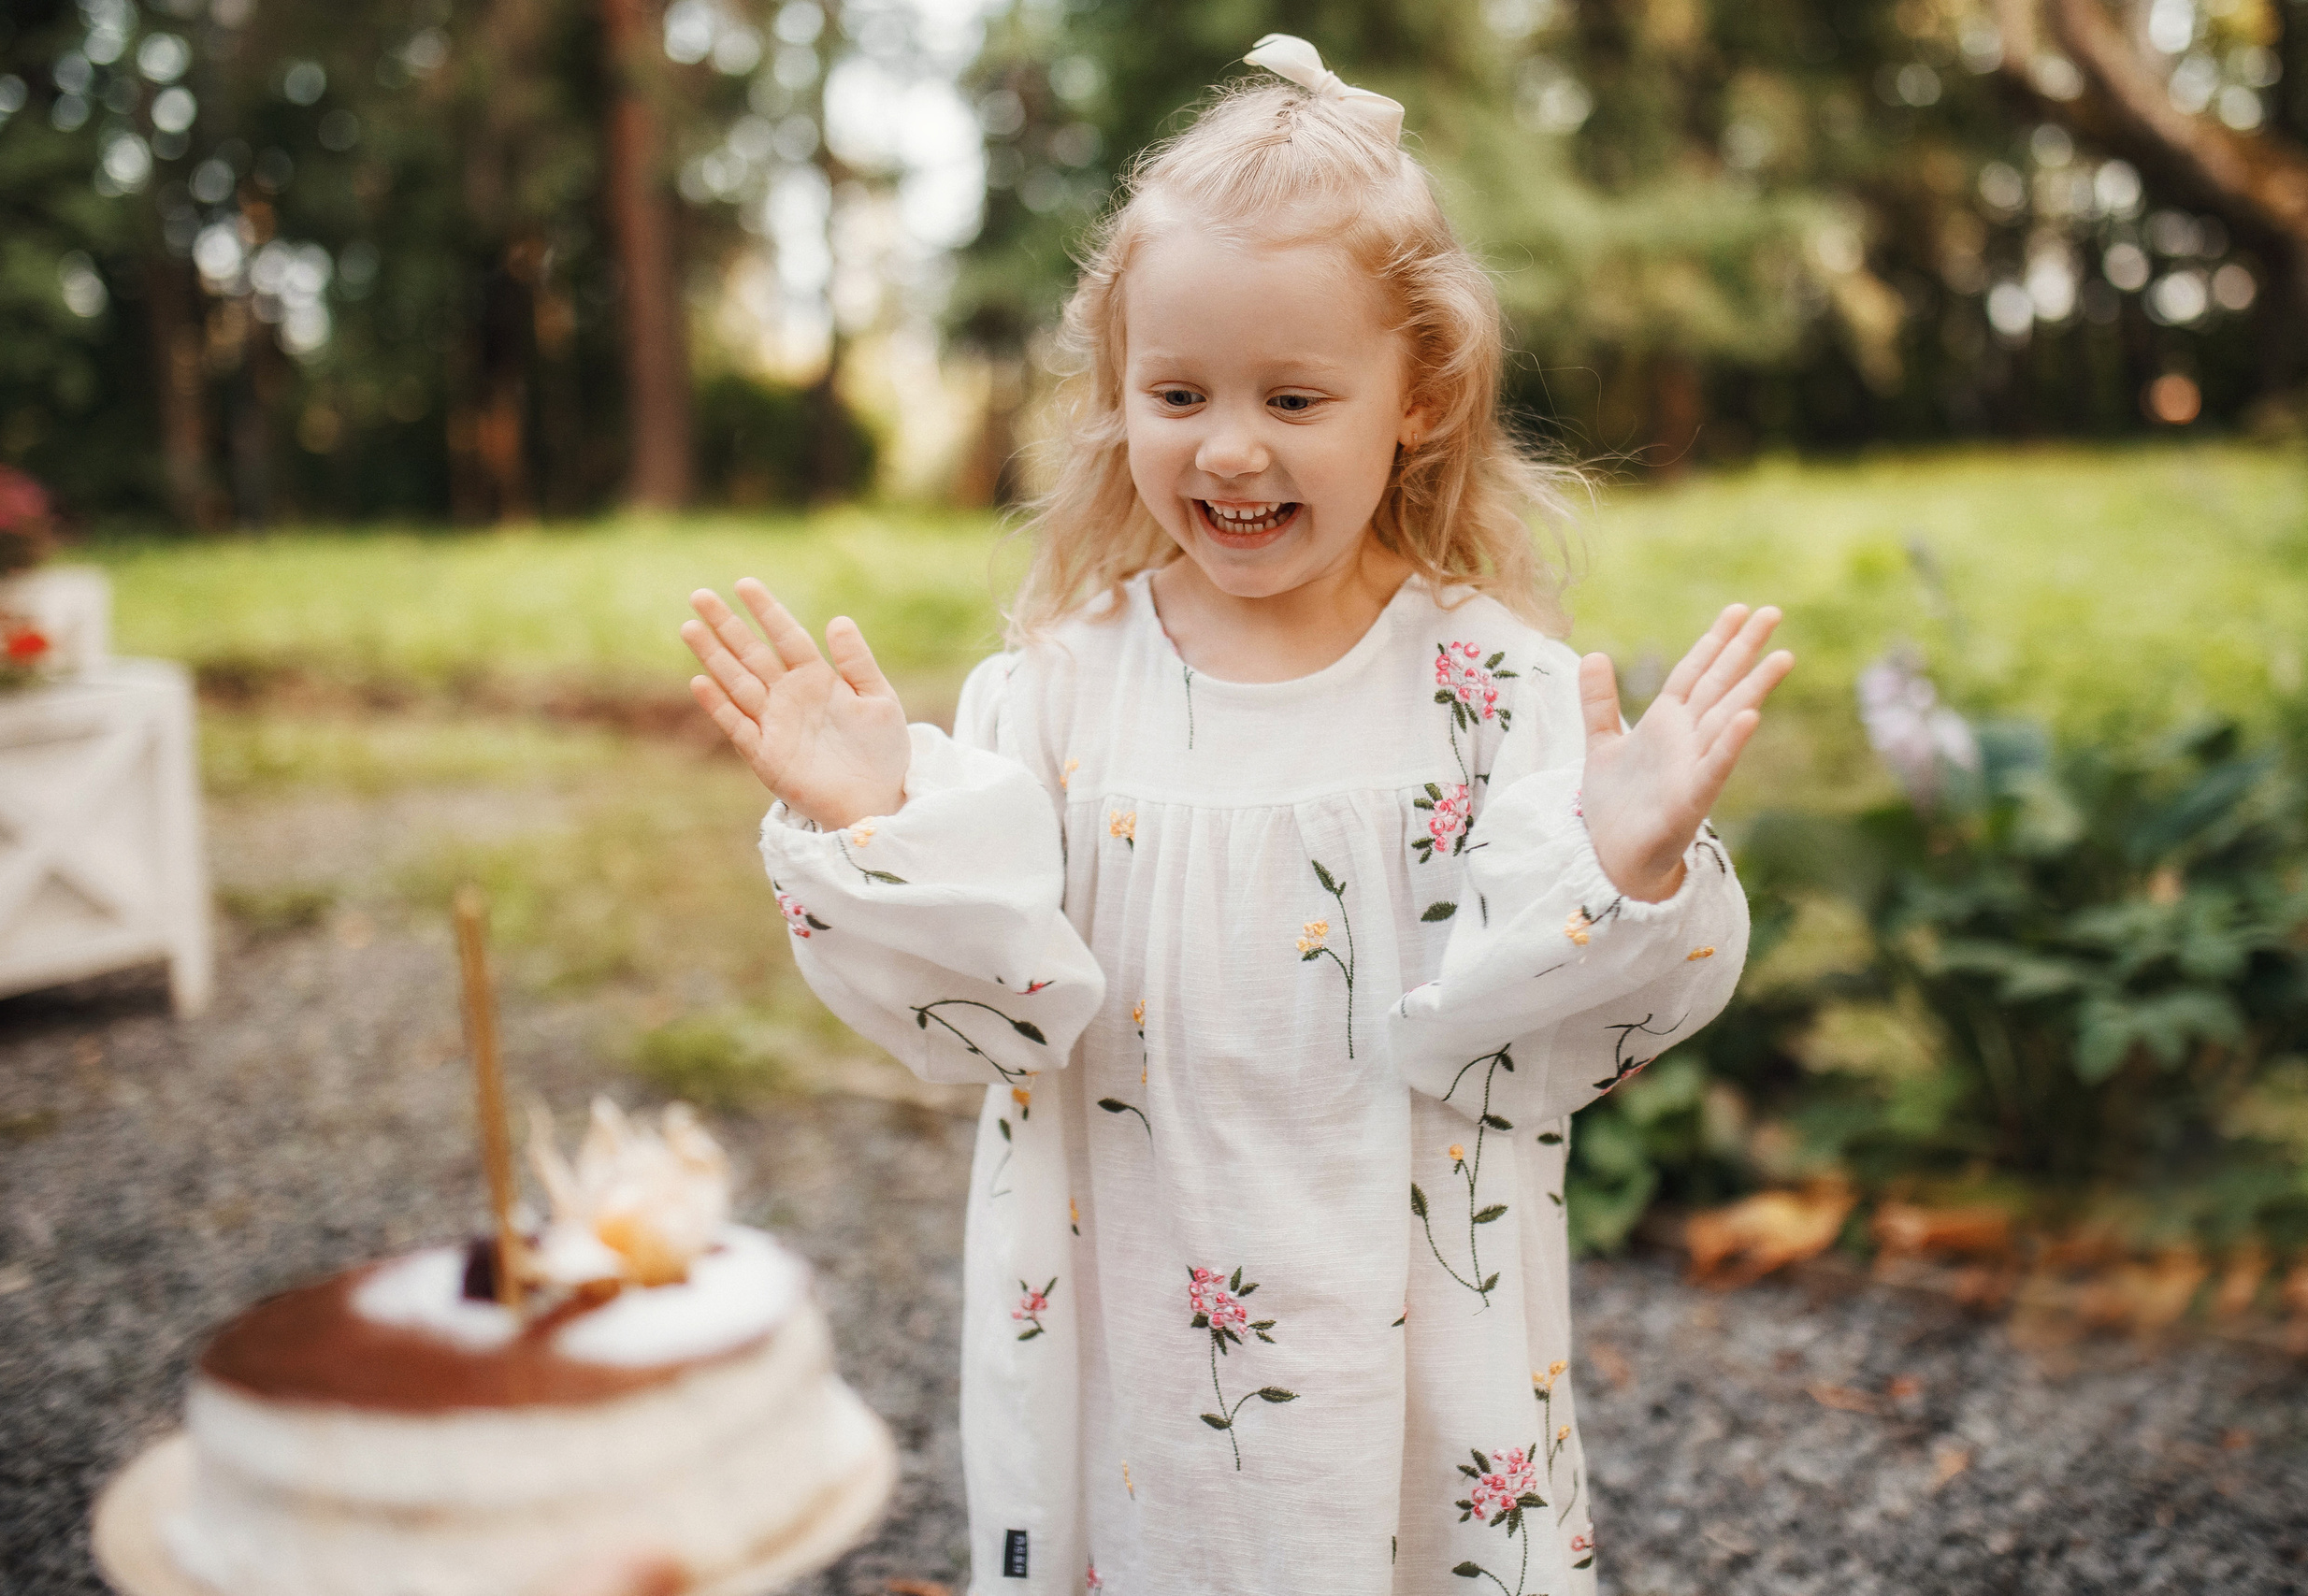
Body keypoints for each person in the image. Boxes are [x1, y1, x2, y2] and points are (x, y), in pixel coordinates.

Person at [680, 35, 1791, 1596]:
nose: (1231, 444)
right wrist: (886, 825)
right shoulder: (1059, 694)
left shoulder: (1495, 693)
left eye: (1294, 393)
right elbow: (997, 1016)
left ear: (1418, 399)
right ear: (1116, 397)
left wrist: (1627, 861)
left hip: (1415, 1334)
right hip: (1141, 1330)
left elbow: (1530, 1038)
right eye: (1179, 391)